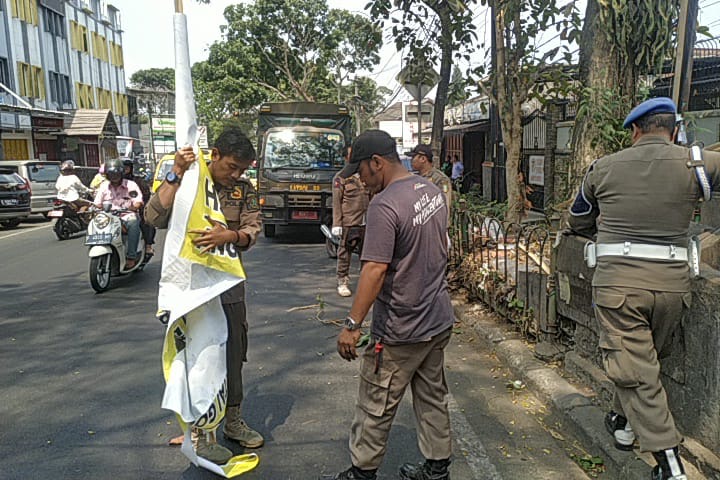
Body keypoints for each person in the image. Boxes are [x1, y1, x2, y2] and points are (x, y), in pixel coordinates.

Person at [567, 97, 720, 480]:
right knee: (642, 363)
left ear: (635, 131)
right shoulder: (698, 163)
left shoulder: (603, 168)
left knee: (635, 366)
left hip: (619, 287)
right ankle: (623, 422)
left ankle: (669, 465)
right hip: (673, 289)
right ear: (674, 129)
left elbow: (578, 218)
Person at [331, 130, 454, 480]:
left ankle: (362, 472)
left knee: (376, 402)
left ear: (377, 163)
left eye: (362, 173)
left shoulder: (385, 204)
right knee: (432, 396)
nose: (361, 181)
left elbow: (374, 269)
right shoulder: (429, 190)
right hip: (436, 319)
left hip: (401, 327)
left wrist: (352, 326)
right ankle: (436, 469)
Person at [145, 128, 263, 465]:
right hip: (188, 290)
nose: (237, 175)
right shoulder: (188, 178)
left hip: (227, 288)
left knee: (233, 352)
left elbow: (254, 228)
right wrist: (177, 173)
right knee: (193, 358)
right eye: (232, 167)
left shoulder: (243, 190)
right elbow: (153, 216)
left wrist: (232, 234)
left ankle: (233, 420)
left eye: (243, 169)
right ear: (214, 154)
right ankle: (198, 429)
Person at [332, 145, 370, 297]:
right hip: (349, 221)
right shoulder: (341, 177)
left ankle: (365, 281)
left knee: (366, 254)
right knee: (345, 252)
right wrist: (337, 223)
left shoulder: (366, 175)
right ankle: (342, 280)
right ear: (345, 158)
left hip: (366, 221)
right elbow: (336, 201)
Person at [93, 159, 144, 269]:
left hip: (126, 215)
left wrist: (134, 206)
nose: (114, 177)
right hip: (108, 217)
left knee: (133, 223)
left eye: (116, 174)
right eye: (111, 174)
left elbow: (137, 201)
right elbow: (97, 203)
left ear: (121, 173)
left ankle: (131, 257)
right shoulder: (103, 186)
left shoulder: (131, 185)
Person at [407, 144, 452, 222]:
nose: (411, 161)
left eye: (413, 157)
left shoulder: (440, 179)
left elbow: (445, 204)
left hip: (435, 226)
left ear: (423, 159)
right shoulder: (416, 178)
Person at [123, 158, 156, 256]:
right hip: (116, 211)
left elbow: (145, 195)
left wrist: (137, 205)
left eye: (126, 168)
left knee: (146, 221)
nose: (124, 170)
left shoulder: (136, 181)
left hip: (134, 209)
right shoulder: (109, 184)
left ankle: (148, 246)